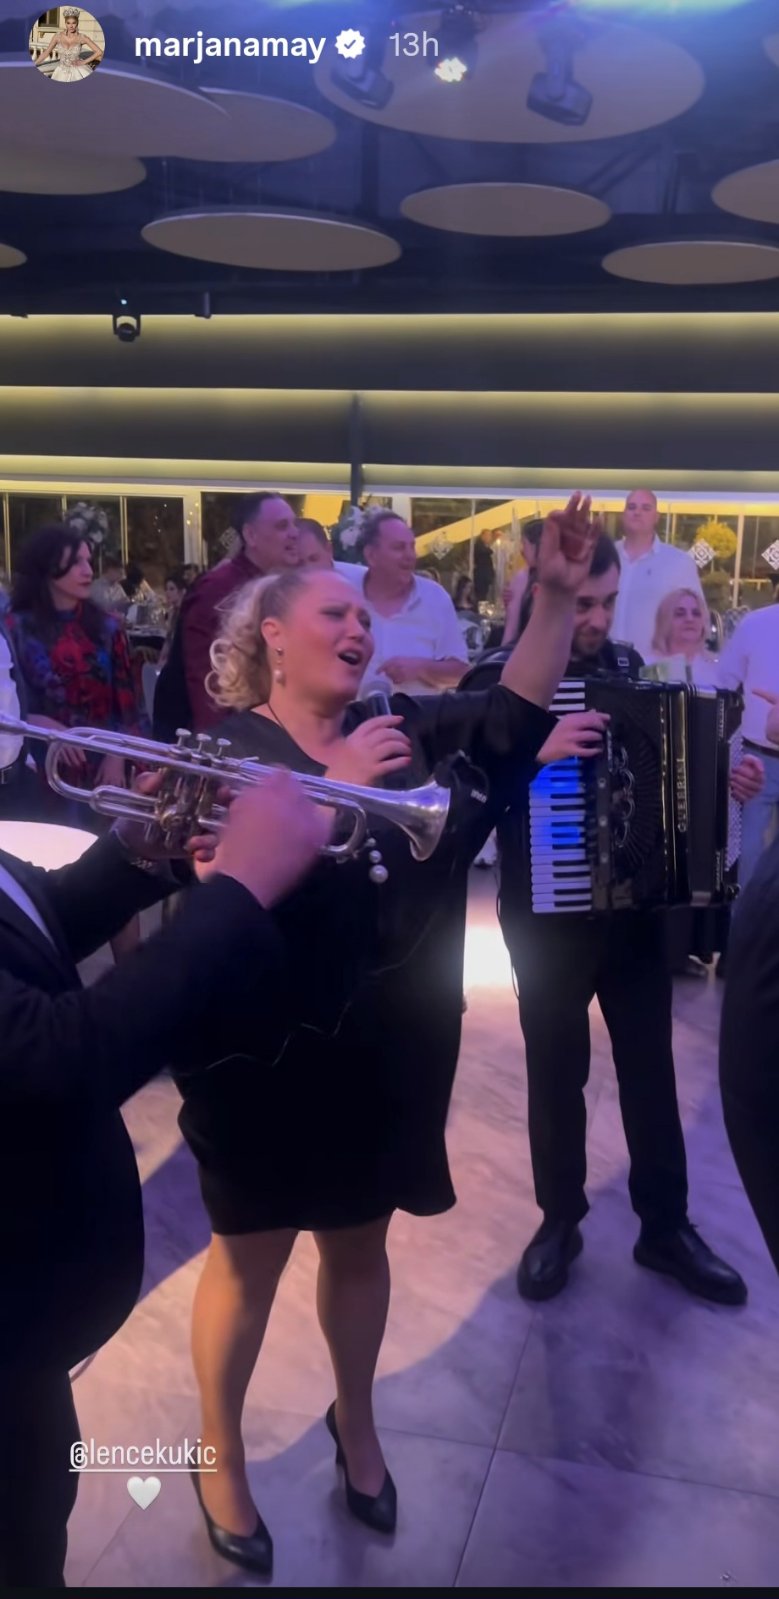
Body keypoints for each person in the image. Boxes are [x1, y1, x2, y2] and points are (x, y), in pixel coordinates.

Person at [172, 496, 599, 1575]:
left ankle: (354, 1422)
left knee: (360, 1246)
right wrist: (334, 790)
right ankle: (216, 1448)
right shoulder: (225, 751)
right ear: (271, 636)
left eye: (363, 616)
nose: (357, 627)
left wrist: (552, 599)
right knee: (249, 1258)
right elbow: (220, 894)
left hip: (386, 1052)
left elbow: (511, 716)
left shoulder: (400, 729)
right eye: (333, 613)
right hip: (259, 1057)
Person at [0, 755, 329, 1590]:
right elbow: (60, 1057)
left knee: (36, 1513)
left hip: (24, 1329)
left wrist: (138, 850)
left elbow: (31, 918)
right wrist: (237, 891)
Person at [492, 535, 751, 1307]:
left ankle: (663, 1226)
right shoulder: (503, 680)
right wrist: (530, 755)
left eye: (606, 602)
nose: (596, 619)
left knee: (649, 1067)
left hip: (631, 910)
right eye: (582, 602)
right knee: (555, 1069)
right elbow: (470, 786)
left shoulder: (632, 671)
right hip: (544, 914)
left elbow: (672, 777)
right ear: (547, 594)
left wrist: (722, 780)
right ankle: (558, 1220)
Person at [5, 526, 143, 958]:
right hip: (41, 767)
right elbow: (10, 703)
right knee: (49, 878)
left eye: (88, 560)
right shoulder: (14, 628)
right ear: (49, 568)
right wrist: (39, 722)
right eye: (76, 562)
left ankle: (131, 974)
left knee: (116, 871)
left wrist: (118, 758)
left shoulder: (108, 628)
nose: (88, 570)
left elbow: (129, 702)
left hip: (103, 766)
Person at [166, 492, 300, 735]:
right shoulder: (219, 589)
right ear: (251, 535)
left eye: (294, 524)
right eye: (282, 526)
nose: (294, 533)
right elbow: (207, 680)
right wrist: (220, 743)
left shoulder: (282, 585)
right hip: (233, 738)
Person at [347, 508, 468, 696]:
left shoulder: (434, 598)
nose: (410, 555)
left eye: (412, 546)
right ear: (371, 556)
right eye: (399, 548)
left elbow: (461, 673)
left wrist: (421, 669)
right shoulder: (346, 595)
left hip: (418, 714)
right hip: (355, 713)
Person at [717, 603, 779, 893]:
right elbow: (723, 685)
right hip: (756, 761)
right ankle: (741, 919)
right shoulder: (754, 624)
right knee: (748, 861)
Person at [612, 488, 706, 663]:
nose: (637, 512)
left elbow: (697, 619)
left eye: (645, 508)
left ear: (656, 517)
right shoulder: (607, 556)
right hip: (606, 667)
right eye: (632, 507)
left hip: (656, 669)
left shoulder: (679, 562)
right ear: (623, 515)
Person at [644, 586, 715, 685]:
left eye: (696, 614)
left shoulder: (715, 669)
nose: (689, 619)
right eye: (680, 614)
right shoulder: (647, 666)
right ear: (664, 621)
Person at [502, 518, 546, 645]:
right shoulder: (563, 578)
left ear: (535, 545)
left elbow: (511, 629)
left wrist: (504, 652)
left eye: (524, 544)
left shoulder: (523, 578)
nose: (521, 551)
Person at [33, 8, 103, 80]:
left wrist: (84, 62)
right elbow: (46, 52)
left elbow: (99, 52)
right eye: (68, 23)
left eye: (74, 23)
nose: (71, 26)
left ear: (77, 23)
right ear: (65, 23)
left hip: (78, 71)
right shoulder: (58, 36)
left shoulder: (82, 37)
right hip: (61, 72)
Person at [90, 552, 127, 616]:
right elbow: (100, 608)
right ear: (110, 570)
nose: (122, 577)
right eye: (119, 573)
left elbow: (125, 602)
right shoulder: (96, 586)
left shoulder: (118, 587)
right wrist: (119, 603)